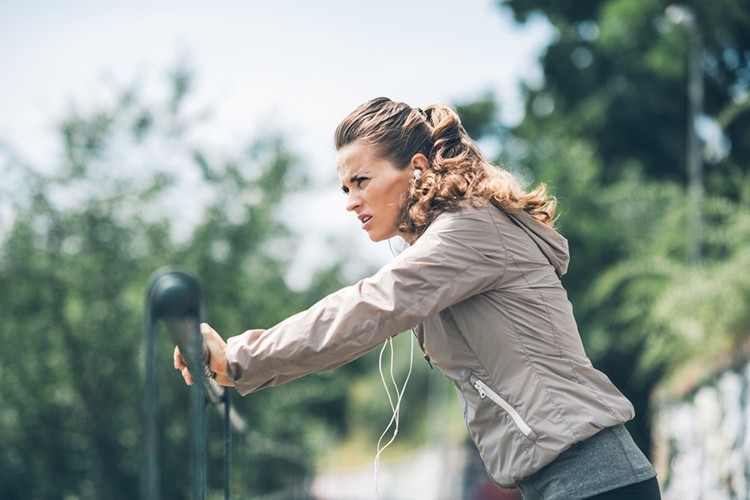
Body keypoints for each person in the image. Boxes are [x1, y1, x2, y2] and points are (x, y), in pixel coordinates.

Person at [174, 97, 661, 499]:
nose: (350, 201)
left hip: (594, 481)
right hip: (564, 483)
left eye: (361, 181)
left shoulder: (470, 228)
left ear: (417, 169)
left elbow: (370, 305)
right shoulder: (459, 237)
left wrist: (240, 357)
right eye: (345, 187)